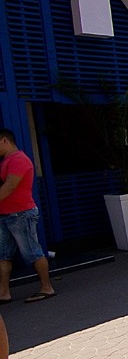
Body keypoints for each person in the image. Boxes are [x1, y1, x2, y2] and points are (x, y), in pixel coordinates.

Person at [0, 130, 56, 304]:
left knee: (32, 251)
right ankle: (3, 293)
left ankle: (47, 287)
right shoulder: (6, 161)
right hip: (5, 214)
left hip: (21, 214)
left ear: (4, 140)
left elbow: (10, 186)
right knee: (3, 254)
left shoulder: (19, 159)